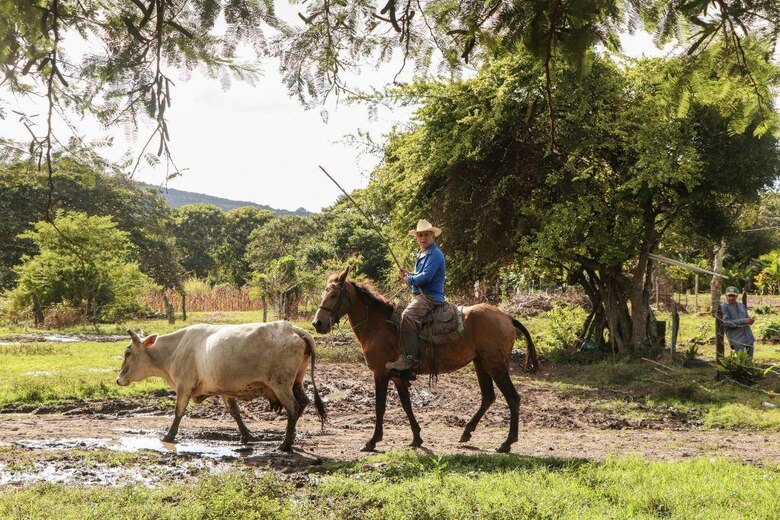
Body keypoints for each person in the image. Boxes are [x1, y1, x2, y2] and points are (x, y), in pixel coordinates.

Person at [386, 219, 446, 372]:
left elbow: (425, 277)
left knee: (407, 316)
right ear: (416, 238)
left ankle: (410, 359)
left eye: (426, 235)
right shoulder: (422, 253)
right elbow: (418, 276)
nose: (423, 238)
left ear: (433, 236)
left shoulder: (435, 254)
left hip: (430, 297)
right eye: (420, 235)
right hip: (420, 295)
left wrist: (408, 278)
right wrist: (409, 274)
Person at [720, 286, 755, 358]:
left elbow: (746, 317)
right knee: (741, 361)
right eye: (729, 296)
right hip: (737, 339)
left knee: (750, 360)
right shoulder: (724, 306)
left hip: (748, 336)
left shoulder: (741, 305)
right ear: (726, 296)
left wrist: (750, 320)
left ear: (737, 296)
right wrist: (744, 321)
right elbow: (726, 322)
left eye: (733, 296)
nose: (731, 298)